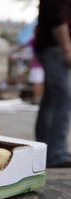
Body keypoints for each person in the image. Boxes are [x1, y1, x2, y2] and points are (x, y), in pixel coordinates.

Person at [34, 0, 71, 168]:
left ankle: (43, 150)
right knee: (64, 98)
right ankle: (56, 152)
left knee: (51, 98)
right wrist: (67, 48)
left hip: (52, 45)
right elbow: (57, 17)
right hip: (54, 46)